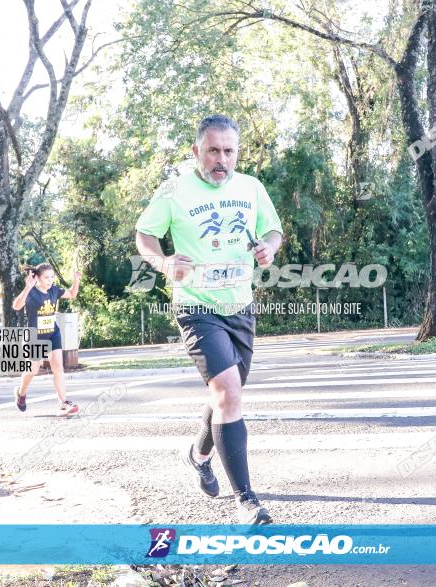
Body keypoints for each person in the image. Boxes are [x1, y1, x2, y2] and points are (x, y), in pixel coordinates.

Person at [134, 114, 283, 525]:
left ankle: (199, 454)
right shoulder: (173, 190)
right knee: (229, 392)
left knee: (224, 395)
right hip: (196, 304)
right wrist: (162, 261)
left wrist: (269, 249)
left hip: (239, 304)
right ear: (196, 150)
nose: (222, 160)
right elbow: (144, 235)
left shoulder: (251, 187)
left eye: (229, 151)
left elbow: (272, 231)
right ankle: (247, 501)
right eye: (214, 150)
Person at [11, 263, 81, 416]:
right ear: (38, 278)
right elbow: (16, 306)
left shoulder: (54, 291)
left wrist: (76, 280)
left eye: (52, 277)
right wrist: (27, 287)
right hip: (34, 337)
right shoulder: (31, 292)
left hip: (52, 334)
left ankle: (63, 403)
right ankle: (21, 393)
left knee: (58, 368)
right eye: (46, 277)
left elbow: (72, 294)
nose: (50, 280)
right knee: (33, 370)